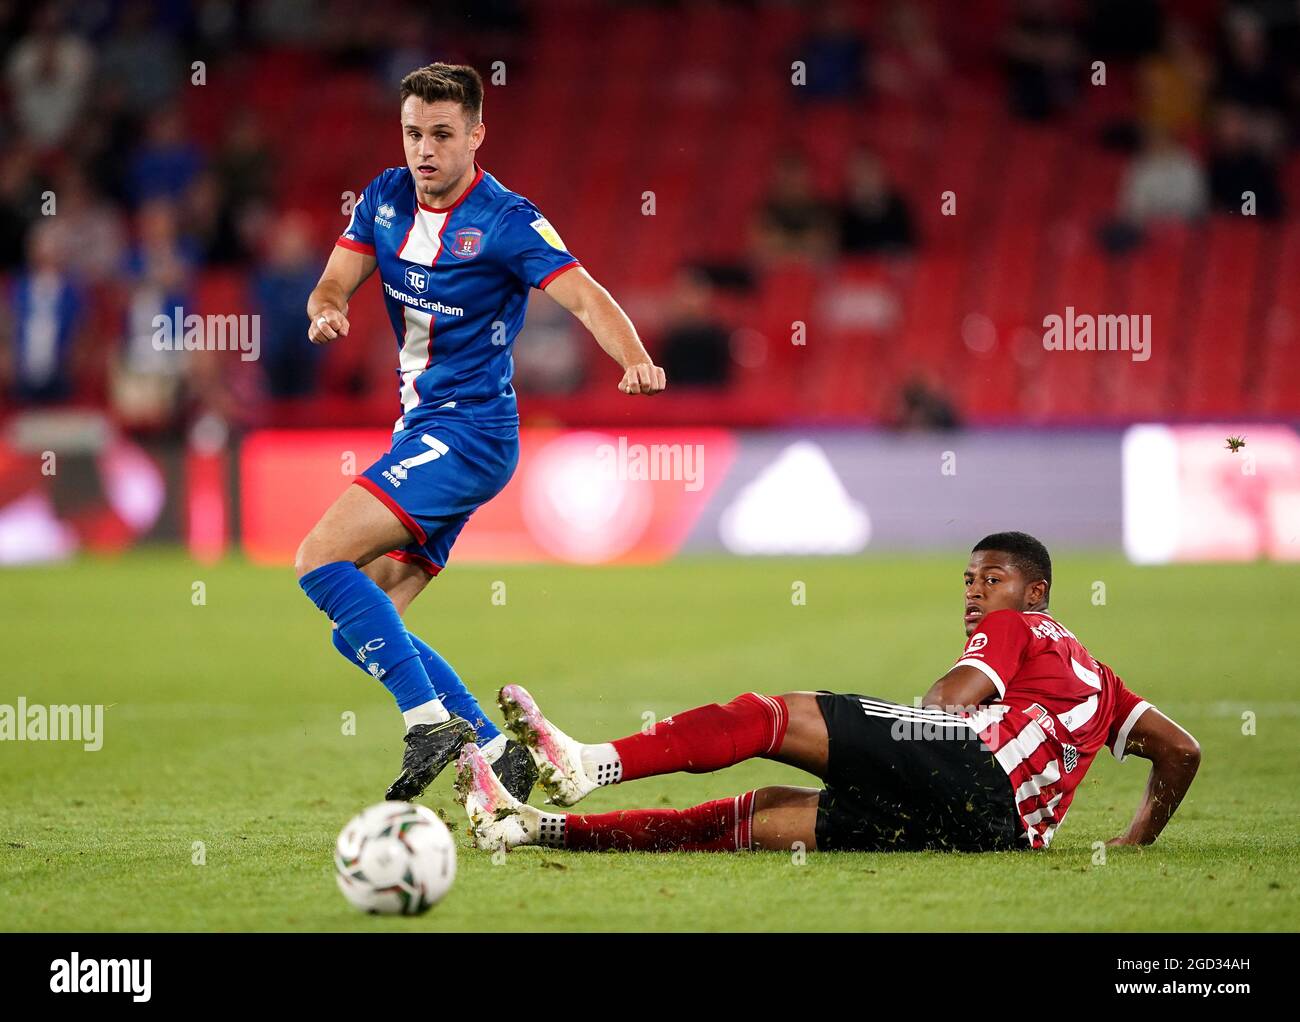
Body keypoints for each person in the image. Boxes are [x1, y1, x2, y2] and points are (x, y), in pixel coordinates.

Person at [295, 64, 665, 804]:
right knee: (365, 626)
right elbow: (333, 279)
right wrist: (327, 307)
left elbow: (586, 296)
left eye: (439, 134)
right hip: (422, 433)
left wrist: (635, 358)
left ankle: (430, 724)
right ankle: (497, 750)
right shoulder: (384, 197)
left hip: (471, 435)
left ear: (475, 135)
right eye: (411, 133)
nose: (422, 150)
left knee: (317, 556)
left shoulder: (506, 220)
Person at [457, 532, 1200, 853]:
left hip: (969, 770)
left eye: (992, 579)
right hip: (990, 834)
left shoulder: (1021, 627)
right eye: (969, 580)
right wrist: (1135, 839)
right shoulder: (1099, 680)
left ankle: (590, 763)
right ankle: (528, 829)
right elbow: (1181, 752)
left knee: (771, 715)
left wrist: (905, 737)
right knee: (746, 822)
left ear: (1034, 590)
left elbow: (948, 703)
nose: (977, 593)